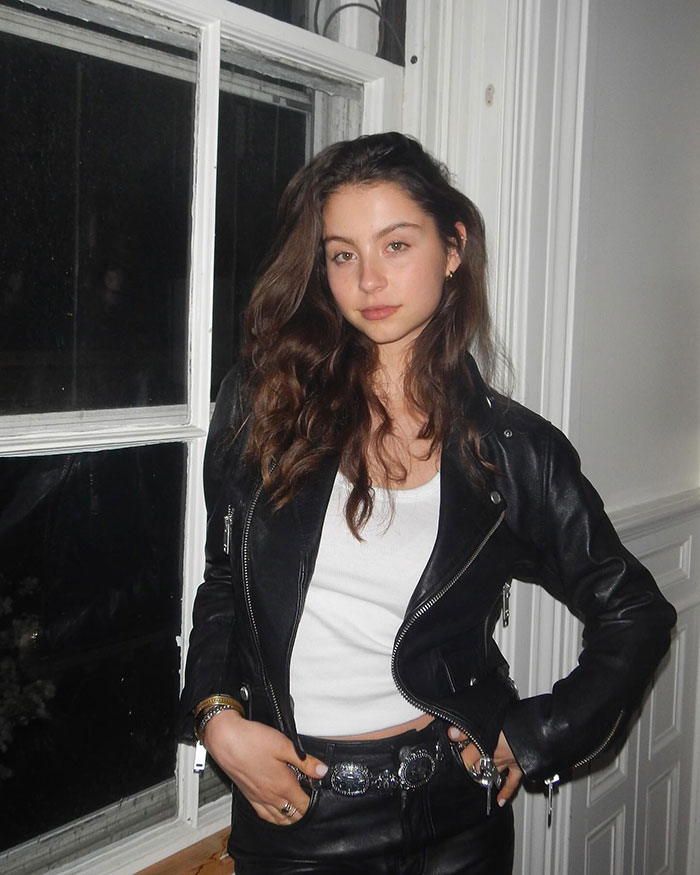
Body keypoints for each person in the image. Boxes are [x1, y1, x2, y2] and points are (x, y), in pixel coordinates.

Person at [180, 132, 676, 873]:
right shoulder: (263, 406)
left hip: (455, 819)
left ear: (452, 248)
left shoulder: (511, 449)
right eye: (342, 253)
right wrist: (215, 717)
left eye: (396, 245)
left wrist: (536, 733)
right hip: (298, 815)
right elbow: (226, 580)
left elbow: (635, 610)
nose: (368, 279)